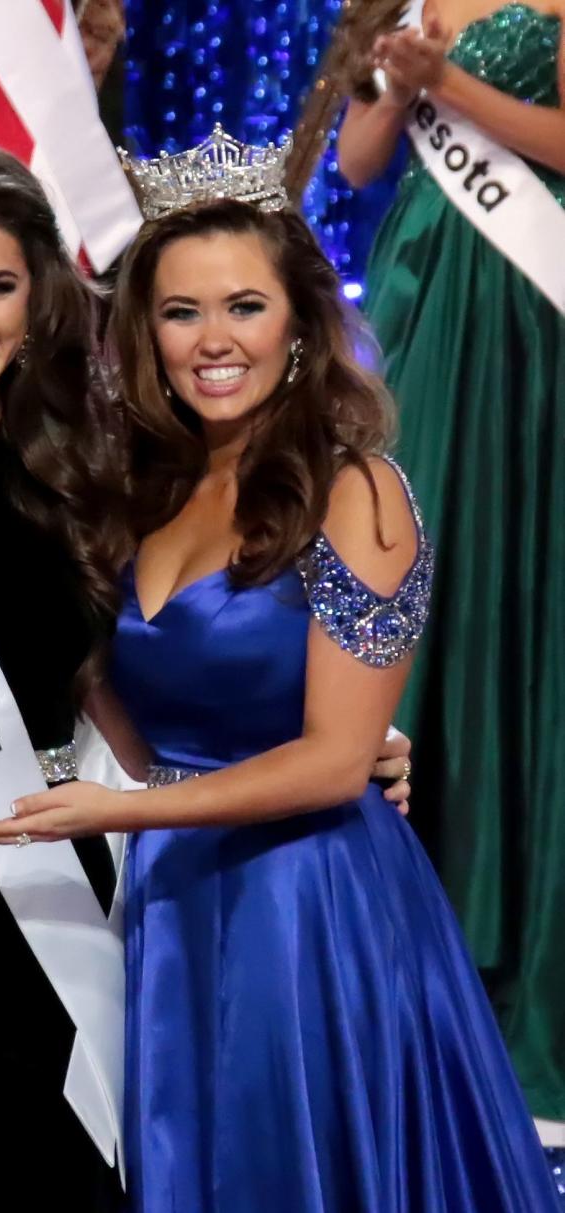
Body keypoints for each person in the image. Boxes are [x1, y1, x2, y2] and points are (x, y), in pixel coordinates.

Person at [0, 135, 413, 1212]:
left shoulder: (94, 467)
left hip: (56, 884)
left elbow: (131, 675)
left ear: (40, 298)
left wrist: (342, 744)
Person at [0, 132, 559, 1212]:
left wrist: (126, 811)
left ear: (299, 323)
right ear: (146, 330)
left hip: (310, 907)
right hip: (179, 894)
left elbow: (333, 765)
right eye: (181, 311)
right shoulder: (142, 488)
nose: (211, 340)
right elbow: (135, 717)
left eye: (244, 306)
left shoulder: (356, 491)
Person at [336, 1, 565, 1117]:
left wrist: (449, 82)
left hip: (534, 312)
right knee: (410, 576)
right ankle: (404, 959)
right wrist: (396, 76)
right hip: (426, 294)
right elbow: (359, 156)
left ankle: (522, 954)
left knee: (526, 587)